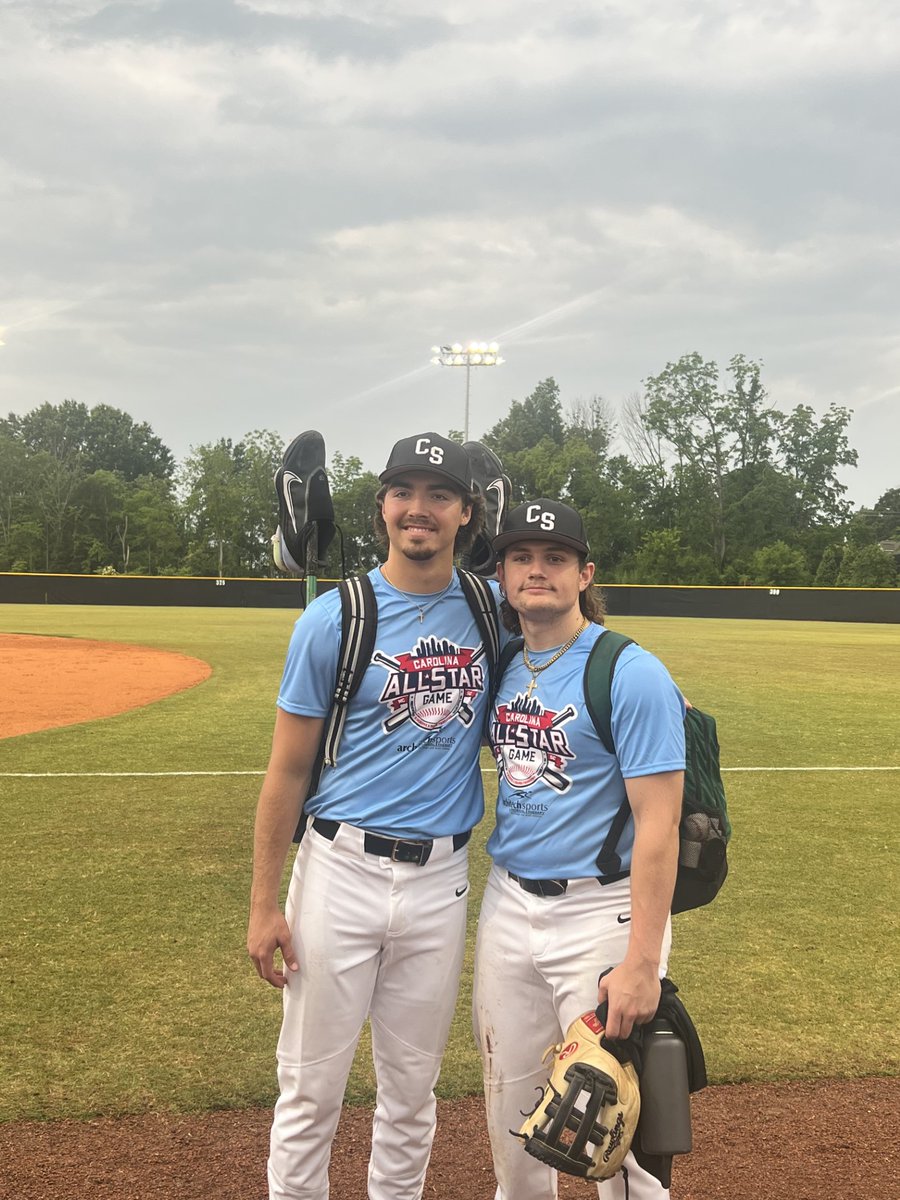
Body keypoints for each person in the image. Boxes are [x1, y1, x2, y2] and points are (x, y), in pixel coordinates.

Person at [247, 431, 500, 1200]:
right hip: (339, 872)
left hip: (441, 881)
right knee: (311, 1089)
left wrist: (659, 692)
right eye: (403, 492)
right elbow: (287, 769)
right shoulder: (334, 618)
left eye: (438, 495)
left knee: (411, 1095)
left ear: (464, 515)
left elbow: (567, 654)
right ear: (382, 507)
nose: (418, 509)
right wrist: (264, 904)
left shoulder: (492, 612)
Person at [473, 499, 686, 1200]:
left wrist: (642, 964)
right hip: (508, 905)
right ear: (502, 574)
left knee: (610, 1126)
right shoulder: (502, 665)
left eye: (556, 558)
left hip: (603, 915)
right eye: (522, 558)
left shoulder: (629, 671)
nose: (538, 571)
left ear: (583, 572)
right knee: (515, 1113)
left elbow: (659, 826)